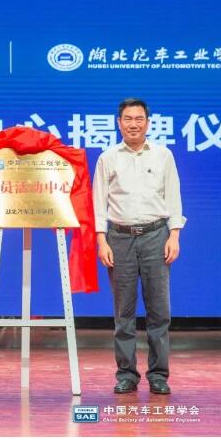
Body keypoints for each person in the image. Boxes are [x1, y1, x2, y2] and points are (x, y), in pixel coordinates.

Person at [92, 98, 186, 395]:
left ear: (148, 122)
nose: (133, 124)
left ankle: (158, 375)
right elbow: (98, 203)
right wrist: (101, 240)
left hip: (156, 236)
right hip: (119, 238)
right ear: (119, 123)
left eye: (139, 118)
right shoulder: (108, 158)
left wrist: (174, 235)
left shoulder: (163, 155)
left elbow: (173, 197)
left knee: (159, 311)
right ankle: (126, 374)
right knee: (124, 312)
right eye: (128, 119)